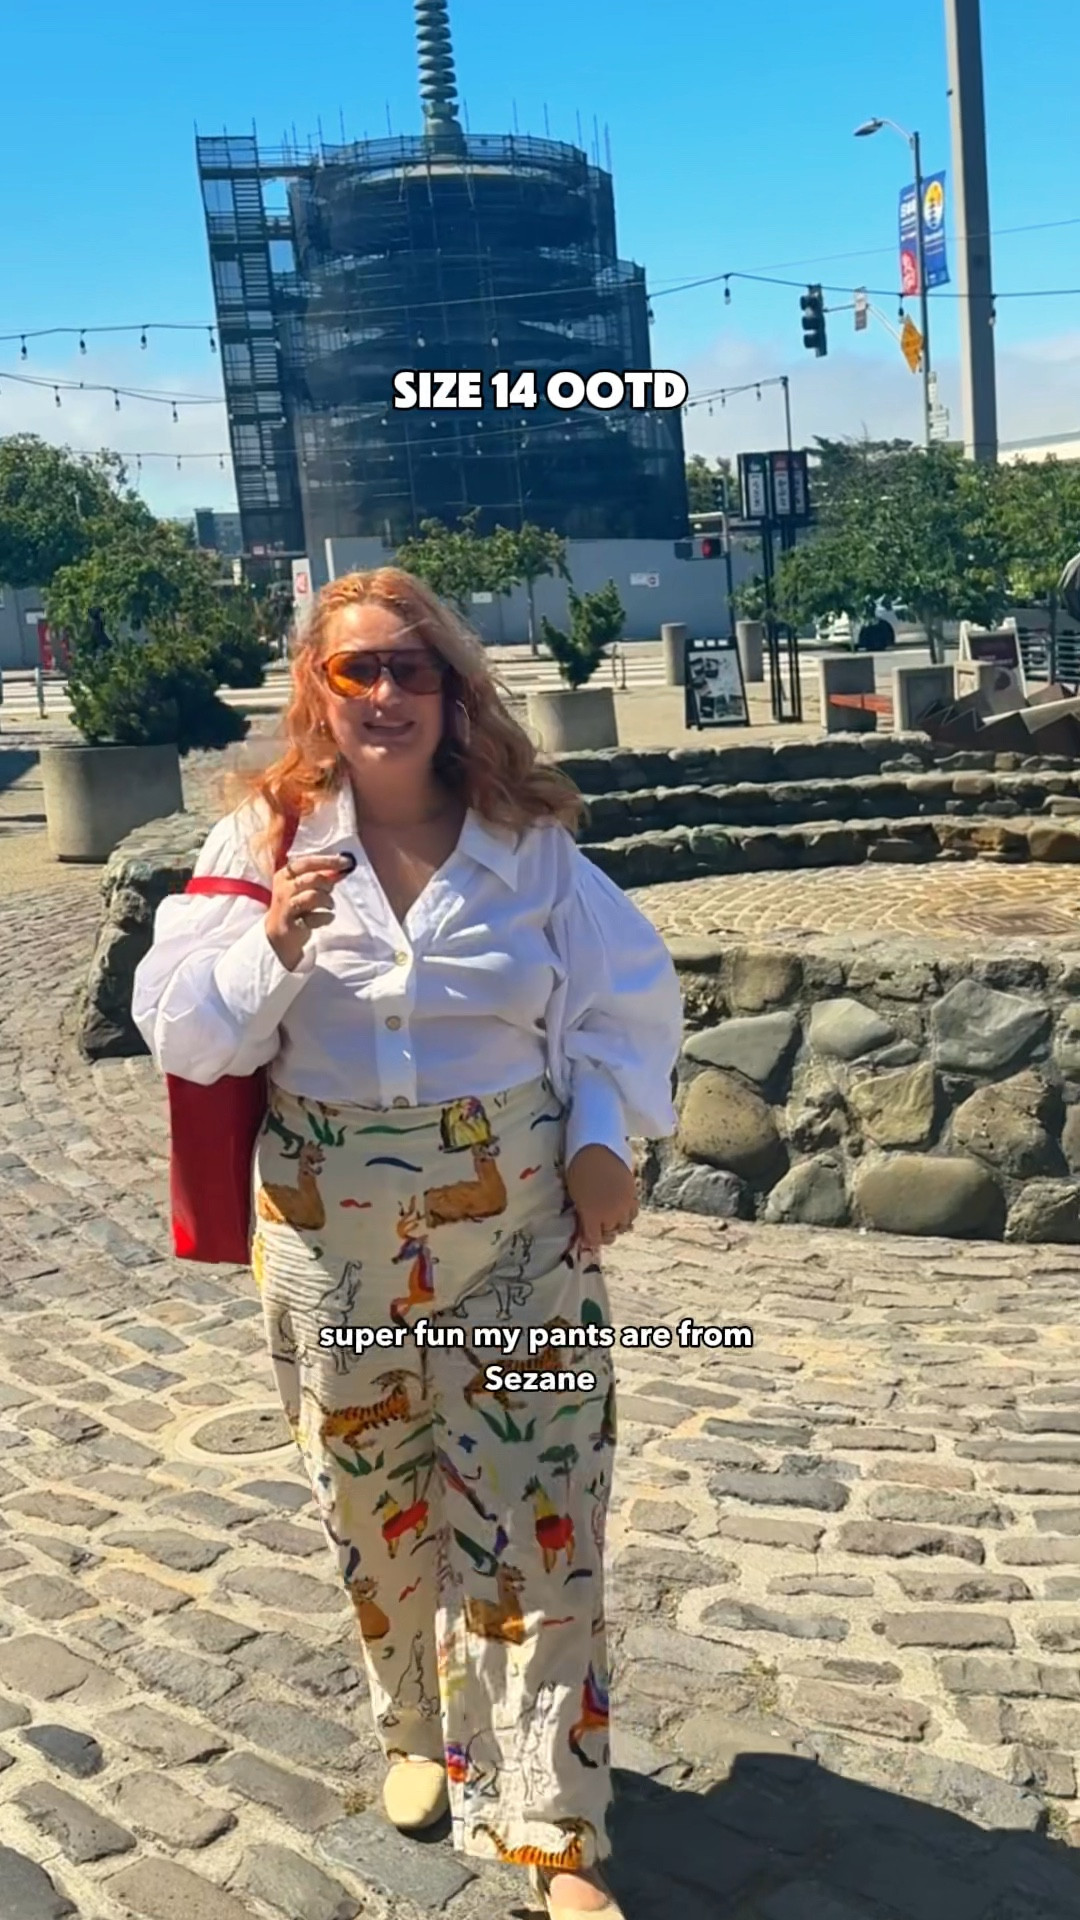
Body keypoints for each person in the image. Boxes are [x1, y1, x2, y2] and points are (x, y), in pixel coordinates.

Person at [131, 567, 683, 1919]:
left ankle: (553, 1832)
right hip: (331, 1233)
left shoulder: (527, 843)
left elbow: (622, 1001)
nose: (385, 693)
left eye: (411, 667)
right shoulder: (265, 838)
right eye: (356, 669)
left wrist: (603, 1136)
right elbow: (184, 1029)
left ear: (452, 688)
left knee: (544, 1511)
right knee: (375, 1501)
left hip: (521, 1232)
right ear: (316, 690)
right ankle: (414, 1729)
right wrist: (272, 944)